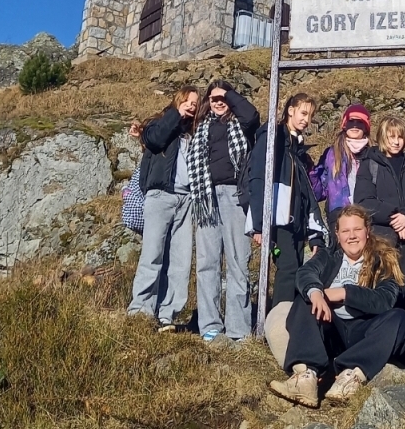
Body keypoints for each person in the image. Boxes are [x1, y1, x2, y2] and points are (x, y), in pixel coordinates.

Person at [269, 205, 405, 408]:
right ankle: (307, 375)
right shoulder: (328, 256)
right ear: (337, 234)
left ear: (367, 231)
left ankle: (351, 374)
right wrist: (316, 292)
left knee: (400, 318)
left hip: (365, 332)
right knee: (306, 299)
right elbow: (305, 273)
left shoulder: (383, 259)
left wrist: (344, 292)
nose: (351, 236)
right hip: (331, 328)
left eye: (357, 229)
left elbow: (384, 299)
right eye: (345, 231)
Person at [354, 115, 405, 368]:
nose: (396, 141)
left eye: (400, 136)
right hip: (383, 245)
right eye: (391, 136)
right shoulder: (369, 166)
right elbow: (364, 201)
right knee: (386, 300)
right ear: (382, 137)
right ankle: (390, 359)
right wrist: (395, 218)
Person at [188, 80, 260, 342]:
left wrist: (229, 94)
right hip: (206, 198)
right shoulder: (200, 127)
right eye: (214, 98)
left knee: (238, 263)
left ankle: (238, 330)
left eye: (223, 98)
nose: (218, 102)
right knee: (207, 263)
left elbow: (252, 115)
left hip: (235, 197)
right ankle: (210, 327)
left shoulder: (242, 124)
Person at [127, 85, 199, 332]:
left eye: (195, 103)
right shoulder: (157, 123)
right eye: (188, 101)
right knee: (153, 255)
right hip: (160, 196)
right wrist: (176, 114)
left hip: (186, 199)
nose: (191, 106)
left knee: (180, 261)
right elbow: (155, 140)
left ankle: (167, 315)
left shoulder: (193, 131)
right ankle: (140, 311)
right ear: (178, 100)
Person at [249, 93, 328, 307]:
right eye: (303, 113)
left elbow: (306, 195)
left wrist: (315, 235)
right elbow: (258, 177)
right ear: (290, 110)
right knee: (288, 268)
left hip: (296, 221)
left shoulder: (297, 150)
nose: (306, 120)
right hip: (279, 219)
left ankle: (290, 316)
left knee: (296, 269)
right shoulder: (273, 139)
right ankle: (280, 318)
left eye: (310, 115)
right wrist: (259, 224)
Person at [310, 104, 372, 233]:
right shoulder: (331, 154)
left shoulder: (374, 154)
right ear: (344, 124)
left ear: (366, 127)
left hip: (367, 215)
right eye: (351, 121)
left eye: (360, 122)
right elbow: (319, 192)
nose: (355, 126)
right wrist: (311, 173)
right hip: (338, 215)